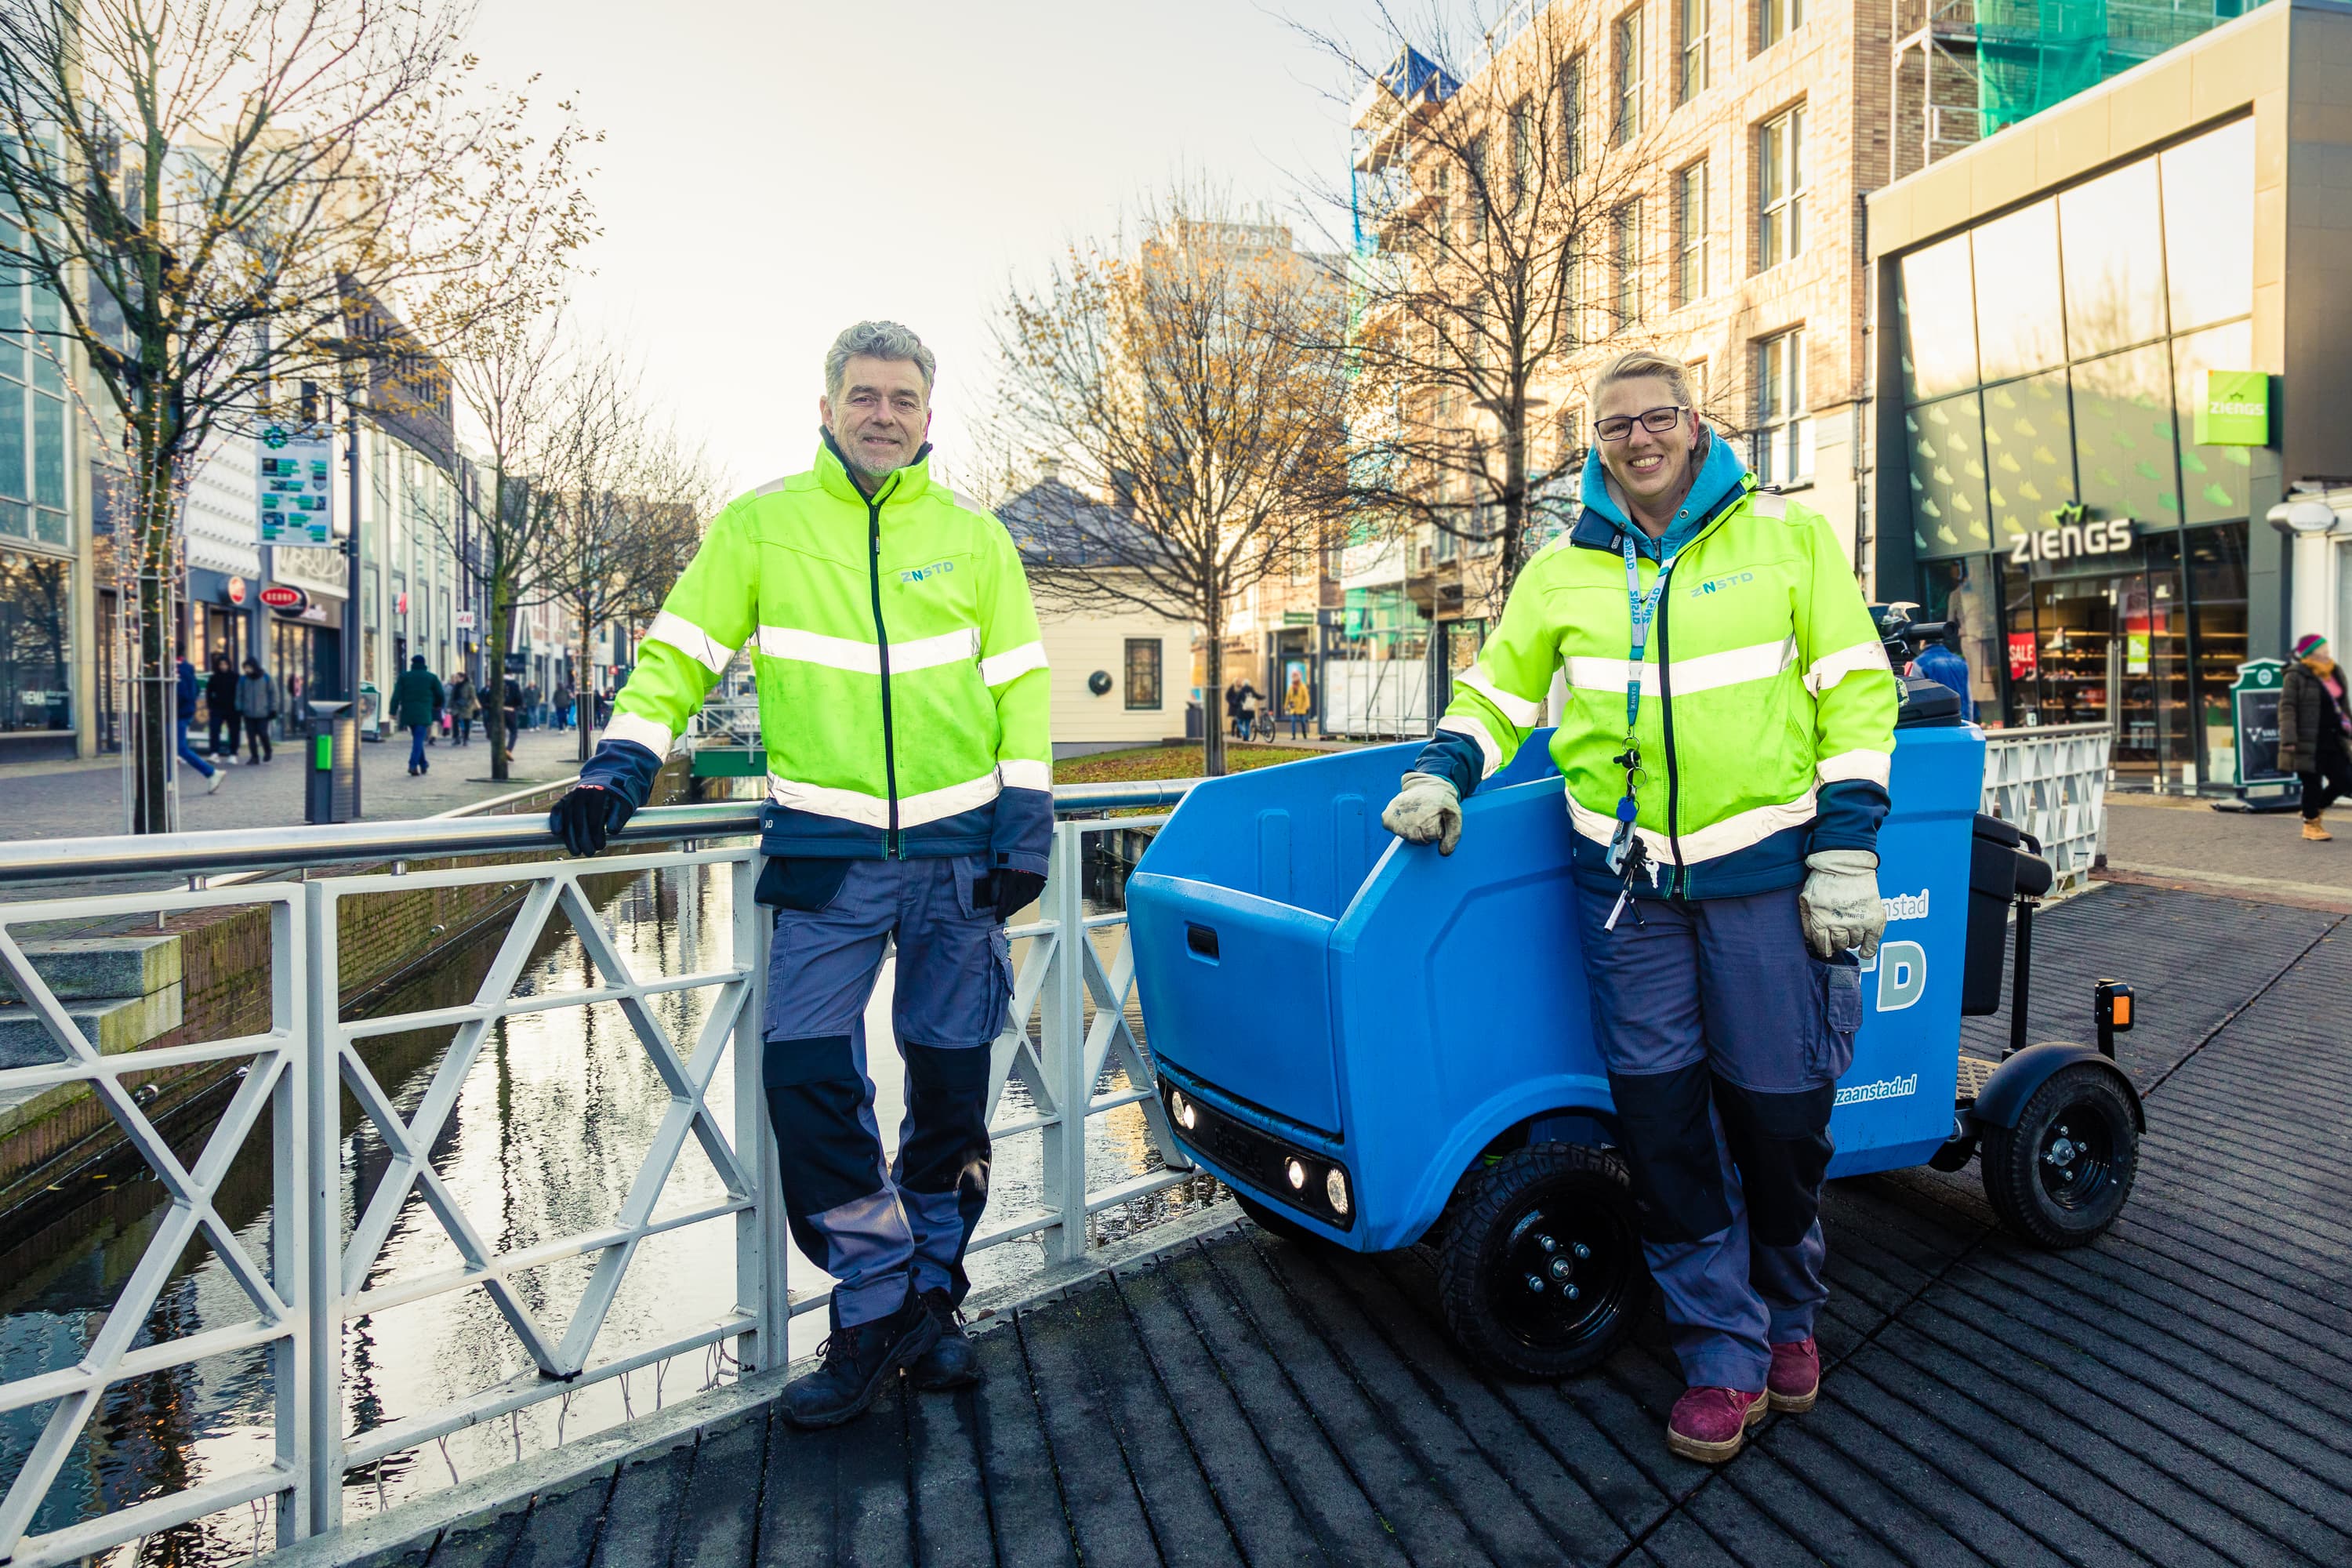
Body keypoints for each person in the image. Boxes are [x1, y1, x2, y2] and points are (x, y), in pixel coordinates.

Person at [1381, 350, 1896, 1465]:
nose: (1638, 438)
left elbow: (1859, 690)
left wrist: (1846, 852)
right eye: (1615, 425)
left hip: (1764, 872)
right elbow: (1499, 691)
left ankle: (1789, 1309)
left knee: (1778, 1115)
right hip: (1625, 891)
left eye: (1657, 417)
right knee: (1662, 1129)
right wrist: (1440, 774)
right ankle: (1721, 1349)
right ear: (1597, 444)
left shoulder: (1789, 539)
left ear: (1696, 423)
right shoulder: (1560, 571)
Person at [547, 321, 1051, 1431]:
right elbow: (679, 650)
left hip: (959, 859)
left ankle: (932, 1303)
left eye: (904, 398)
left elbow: (1019, 683)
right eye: (864, 396)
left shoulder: (976, 540)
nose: (884, 414)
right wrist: (625, 762)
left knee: (954, 1099)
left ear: (930, 415)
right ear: (826, 408)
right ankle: (877, 1306)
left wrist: (1028, 820)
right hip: (824, 858)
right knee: (807, 1084)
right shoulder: (762, 526)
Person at [2279, 633, 2352, 841]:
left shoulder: (2334, 671)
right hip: (2307, 739)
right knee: (2312, 783)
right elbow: (2287, 708)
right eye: (2323, 649)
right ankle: (2310, 825)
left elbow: (2343, 706)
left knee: (2345, 780)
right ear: (2311, 653)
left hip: (2334, 737)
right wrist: (2289, 739)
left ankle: (2314, 808)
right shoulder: (2296, 674)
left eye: (2327, 649)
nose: (2327, 652)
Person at [1908, 609, 1973, 721]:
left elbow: (1917, 698)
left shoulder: (1919, 664)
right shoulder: (1960, 661)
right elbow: (1969, 698)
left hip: (1937, 722)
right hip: (1961, 720)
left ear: (1923, 642)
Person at [390, 655, 445, 777]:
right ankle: (413, 764)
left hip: (408, 713)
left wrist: (392, 711)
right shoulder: (431, 677)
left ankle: (424, 764)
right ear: (424, 663)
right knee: (418, 739)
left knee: (417, 739)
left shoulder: (404, 677)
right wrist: (437, 705)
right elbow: (440, 694)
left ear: (412, 663)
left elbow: (396, 695)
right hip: (425, 712)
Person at [175, 656, 221, 793]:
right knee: (174, 748)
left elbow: (181, 694)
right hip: (183, 712)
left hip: (177, 713)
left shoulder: (178, 669)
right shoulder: (187, 668)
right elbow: (194, 690)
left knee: (179, 748)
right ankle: (168, 781)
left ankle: (210, 772)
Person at [235, 658, 278, 763]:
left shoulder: (266, 678)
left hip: (263, 712)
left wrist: (273, 709)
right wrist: (239, 708)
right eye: (245, 668)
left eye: (249, 667)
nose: (247, 670)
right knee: (251, 736)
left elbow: (274, 694)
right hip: (248, 713)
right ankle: (254, 756)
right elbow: (239, 694)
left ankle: (268, 750)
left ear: (254, 667)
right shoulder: (243, 680)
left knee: (263, 733)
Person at [206, 653, 241, 762]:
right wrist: (211, 705)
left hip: (233, 709)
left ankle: (233, 753)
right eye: (221, 664)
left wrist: (239, 706)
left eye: (225, 664)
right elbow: (209, 692)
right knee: (214, 730)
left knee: (234, 731)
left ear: (229, 665)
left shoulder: (235, 677)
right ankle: (214, 753)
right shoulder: (214, 678)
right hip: (217, 708)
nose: (223, 666)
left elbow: (240, 692)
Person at [450, 673, 479, 746]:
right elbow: (452, 697)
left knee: (466, 724)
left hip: (466, 709)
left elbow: (473, 697)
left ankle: (466, 739)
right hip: (456, 708)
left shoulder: (470, 686)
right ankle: (456, 738)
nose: (456, 679)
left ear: (462, 678)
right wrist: (449, 706)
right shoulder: (456, 686)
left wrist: (468, 704)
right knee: (455, 722)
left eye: (457, 677)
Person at [1284, 668, 1312, 739]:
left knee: (1303, 721)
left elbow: (1306, 697)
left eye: (1296, 677)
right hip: (1293, 708)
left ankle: (1304, 734)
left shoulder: (1303, 687)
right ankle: (1293, 735)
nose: (1294, 679)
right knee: (1293, 721)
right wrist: (1285, 705)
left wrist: (1307, 705)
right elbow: (1288, 697)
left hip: (1301, 707)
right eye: (1293, 677)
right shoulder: (1291, 687)